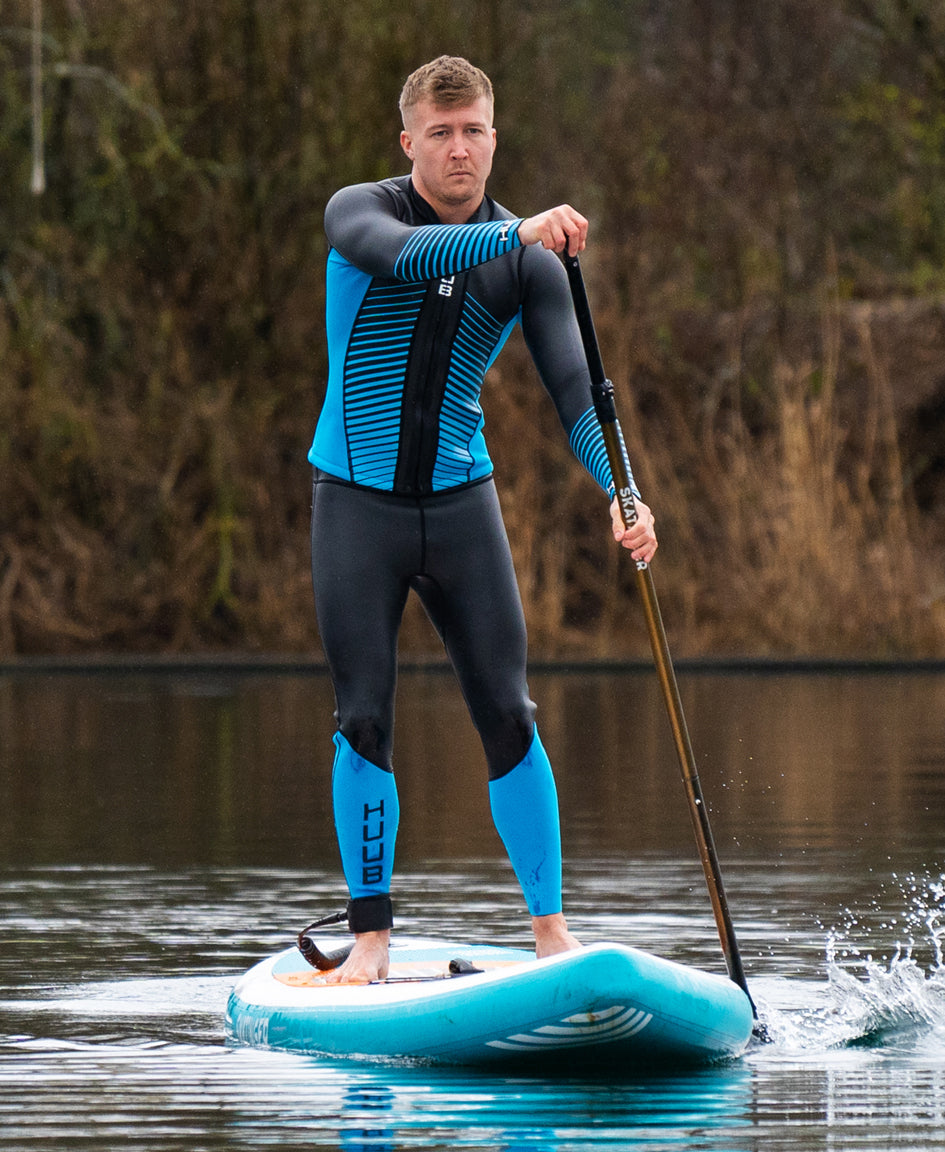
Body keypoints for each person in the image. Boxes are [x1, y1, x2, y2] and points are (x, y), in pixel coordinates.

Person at [308, 56, 657, 982]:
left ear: (495, 138)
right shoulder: (359, 213)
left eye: (474, 132)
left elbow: (576, 392)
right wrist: (522, 237)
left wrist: (622, 490)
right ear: (408, 142)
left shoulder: (530, 262)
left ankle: (550, 934)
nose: (459, 149)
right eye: (440, 133)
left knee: (509, 712)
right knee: (364, 718)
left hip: (463, 507)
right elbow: (406, 259)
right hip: (356, 506)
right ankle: (372, 943)